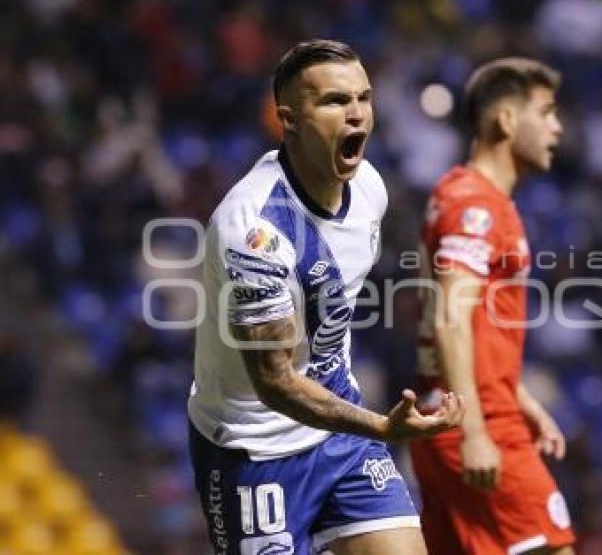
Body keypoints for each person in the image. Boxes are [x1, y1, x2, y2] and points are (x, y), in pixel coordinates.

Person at [188, 39, 464, 555]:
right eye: (335, 102)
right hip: (254, 450)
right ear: (288, 119)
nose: (357, 114)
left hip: (340, 429)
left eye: (363, 98)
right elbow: (276, 385)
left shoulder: (370, 191)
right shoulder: (254, 231)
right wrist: (382, 427)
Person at [410, 57, 576, 554]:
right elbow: (449, 317)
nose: (558, 127)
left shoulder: (461, 196)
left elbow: (475, 327)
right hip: (477, 422)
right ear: (505, 119)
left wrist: (523, 401)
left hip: (462, 415)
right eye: (545, 112)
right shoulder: (475, 205)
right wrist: (475, 431)